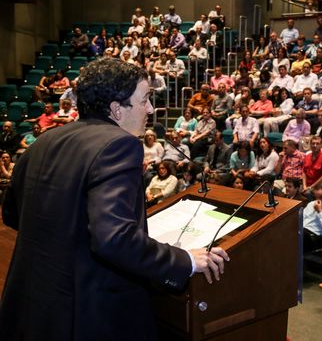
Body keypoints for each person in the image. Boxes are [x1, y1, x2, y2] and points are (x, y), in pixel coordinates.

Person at [0, 59, 228, 340]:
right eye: (144, 99)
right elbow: (113, 239)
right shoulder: (118, 145)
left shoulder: (45, 141)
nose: (150, 109)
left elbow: (12, 214)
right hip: (87, 316)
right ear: (117, 109)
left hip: (31, 308)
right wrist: (185, 261)